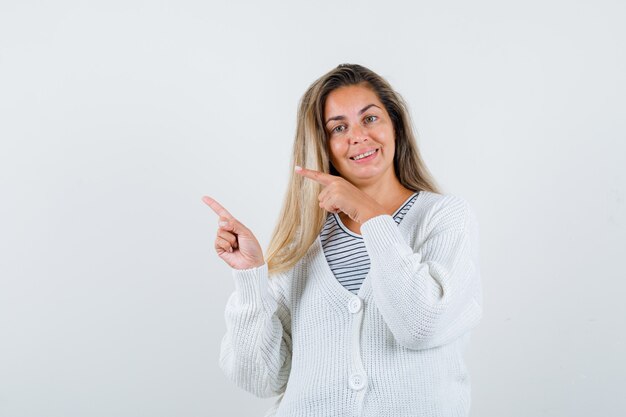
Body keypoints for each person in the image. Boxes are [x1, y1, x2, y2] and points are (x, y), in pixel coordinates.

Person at [202, 63, 483, 417]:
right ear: (324, 146)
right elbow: (260, 379)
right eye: (339, 127)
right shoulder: (302, 243)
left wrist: (373, 218)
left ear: (395, 125)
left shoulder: (444, 217)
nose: (358, 136)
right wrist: (251, 279)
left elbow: (422, 327)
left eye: (370, 119)